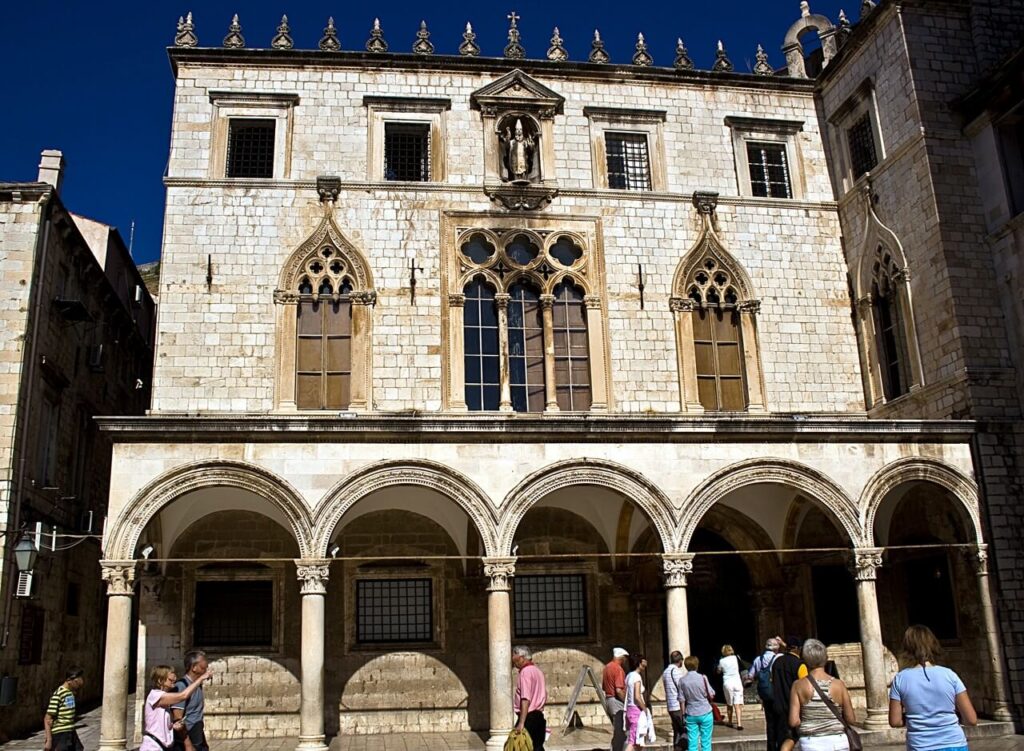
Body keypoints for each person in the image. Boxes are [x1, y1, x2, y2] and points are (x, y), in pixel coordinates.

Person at [888, 624, 977, 751]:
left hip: (920, 745)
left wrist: (915, 718)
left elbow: (895, 721)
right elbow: (971, 719)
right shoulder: (950, 675)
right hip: (954, 743)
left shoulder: (900, 679)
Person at [788, 639, 857, 751]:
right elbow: (850, 719)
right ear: (825, 658)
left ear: (805, 660)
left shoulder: (798, 685)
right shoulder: (839, 685)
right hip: (838, 741)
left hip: (811, 743)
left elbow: (793, 721)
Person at [142, 665, 213, 751]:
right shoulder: (155, 696)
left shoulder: (165, 699)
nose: (174, 680)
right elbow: (183, 696)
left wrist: (173, 726)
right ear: (160, 680)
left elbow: (159, 723)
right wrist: (201, 678)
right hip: (153, 746)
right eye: (170, 680)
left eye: (174, 678)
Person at [772, 636, 808, 751]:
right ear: (798, 648)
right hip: (792, 707)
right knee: (791, 737)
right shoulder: (799, 665)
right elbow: (805, 687)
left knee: (781, 737)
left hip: (777, 705)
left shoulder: (777, 662)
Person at [172, 650, 211, 751]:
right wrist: (187, 743)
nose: (206, 670)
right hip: (187, 737)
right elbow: (177, 717)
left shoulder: (197, 685)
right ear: (194, 667)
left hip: (197, 733)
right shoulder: (181, 686)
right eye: (203, 668)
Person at [512, 645, 548, 751]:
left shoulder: (525, 672)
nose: (513, 659)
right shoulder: (538, 671)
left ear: (522, 657)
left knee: (522, 746)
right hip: (538, 716)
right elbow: (545, 693)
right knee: (537, 747)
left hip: (529, 717)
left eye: (515, 656)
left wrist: (521, 723)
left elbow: (525, 698)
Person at [749, 637, 782, 751]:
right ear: (776, 648)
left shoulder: (758, 659)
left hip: (765, 694)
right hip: (778, 693)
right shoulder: (779, 658)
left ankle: (771, 747)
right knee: (780, 721)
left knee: (770, 722)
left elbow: (751, 675)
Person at [43, 667, 85, 751]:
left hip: (70, 730)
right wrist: (49, 739)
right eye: (77, 682)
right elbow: (48, 718)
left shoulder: (70, 693)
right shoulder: (58, 694)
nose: (78, 685)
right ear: (70, 681)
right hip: (60, 732)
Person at [679, 656, 715, 751]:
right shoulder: (703, 678)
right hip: (705, 711)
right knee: (706, 742)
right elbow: (711, 693)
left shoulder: (682, 680)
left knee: (692, 742)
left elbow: (681, 700)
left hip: (690, 713)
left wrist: (683, 715)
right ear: (697, 665)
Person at [603, 647, 629, 751]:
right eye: (625, 658)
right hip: (617, 702)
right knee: (620, 732)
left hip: (609, 700)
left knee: (617, 730)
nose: (626, 660)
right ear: (621, 658)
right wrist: (626, 701)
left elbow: (604, 687)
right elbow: (619, 690)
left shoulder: (607, 667)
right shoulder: (618, 669)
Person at [662, 651, 689, 750]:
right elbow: (681, 688)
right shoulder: (676, 671)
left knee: (677, 732)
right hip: (678, 706)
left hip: (670, 706)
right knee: (685, 731)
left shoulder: (665, 672)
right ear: (680, 660)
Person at [717, 644, 746, 730]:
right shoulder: (736, 657)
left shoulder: (721, 661)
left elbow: (719, 671)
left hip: (728, 683)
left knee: (729, 703)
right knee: (737, 704)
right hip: (737, 682)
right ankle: (739, 723)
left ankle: (729, 721)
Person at [624, 653, 648, 751]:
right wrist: (645, 708)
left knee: (638, 741)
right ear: (639, 663)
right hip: (636, 710)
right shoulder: (637, 677)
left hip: (629, 709)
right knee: (633, 741)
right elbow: (637, 696)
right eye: (643, 660)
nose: (646, 662)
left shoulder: (629, 676)